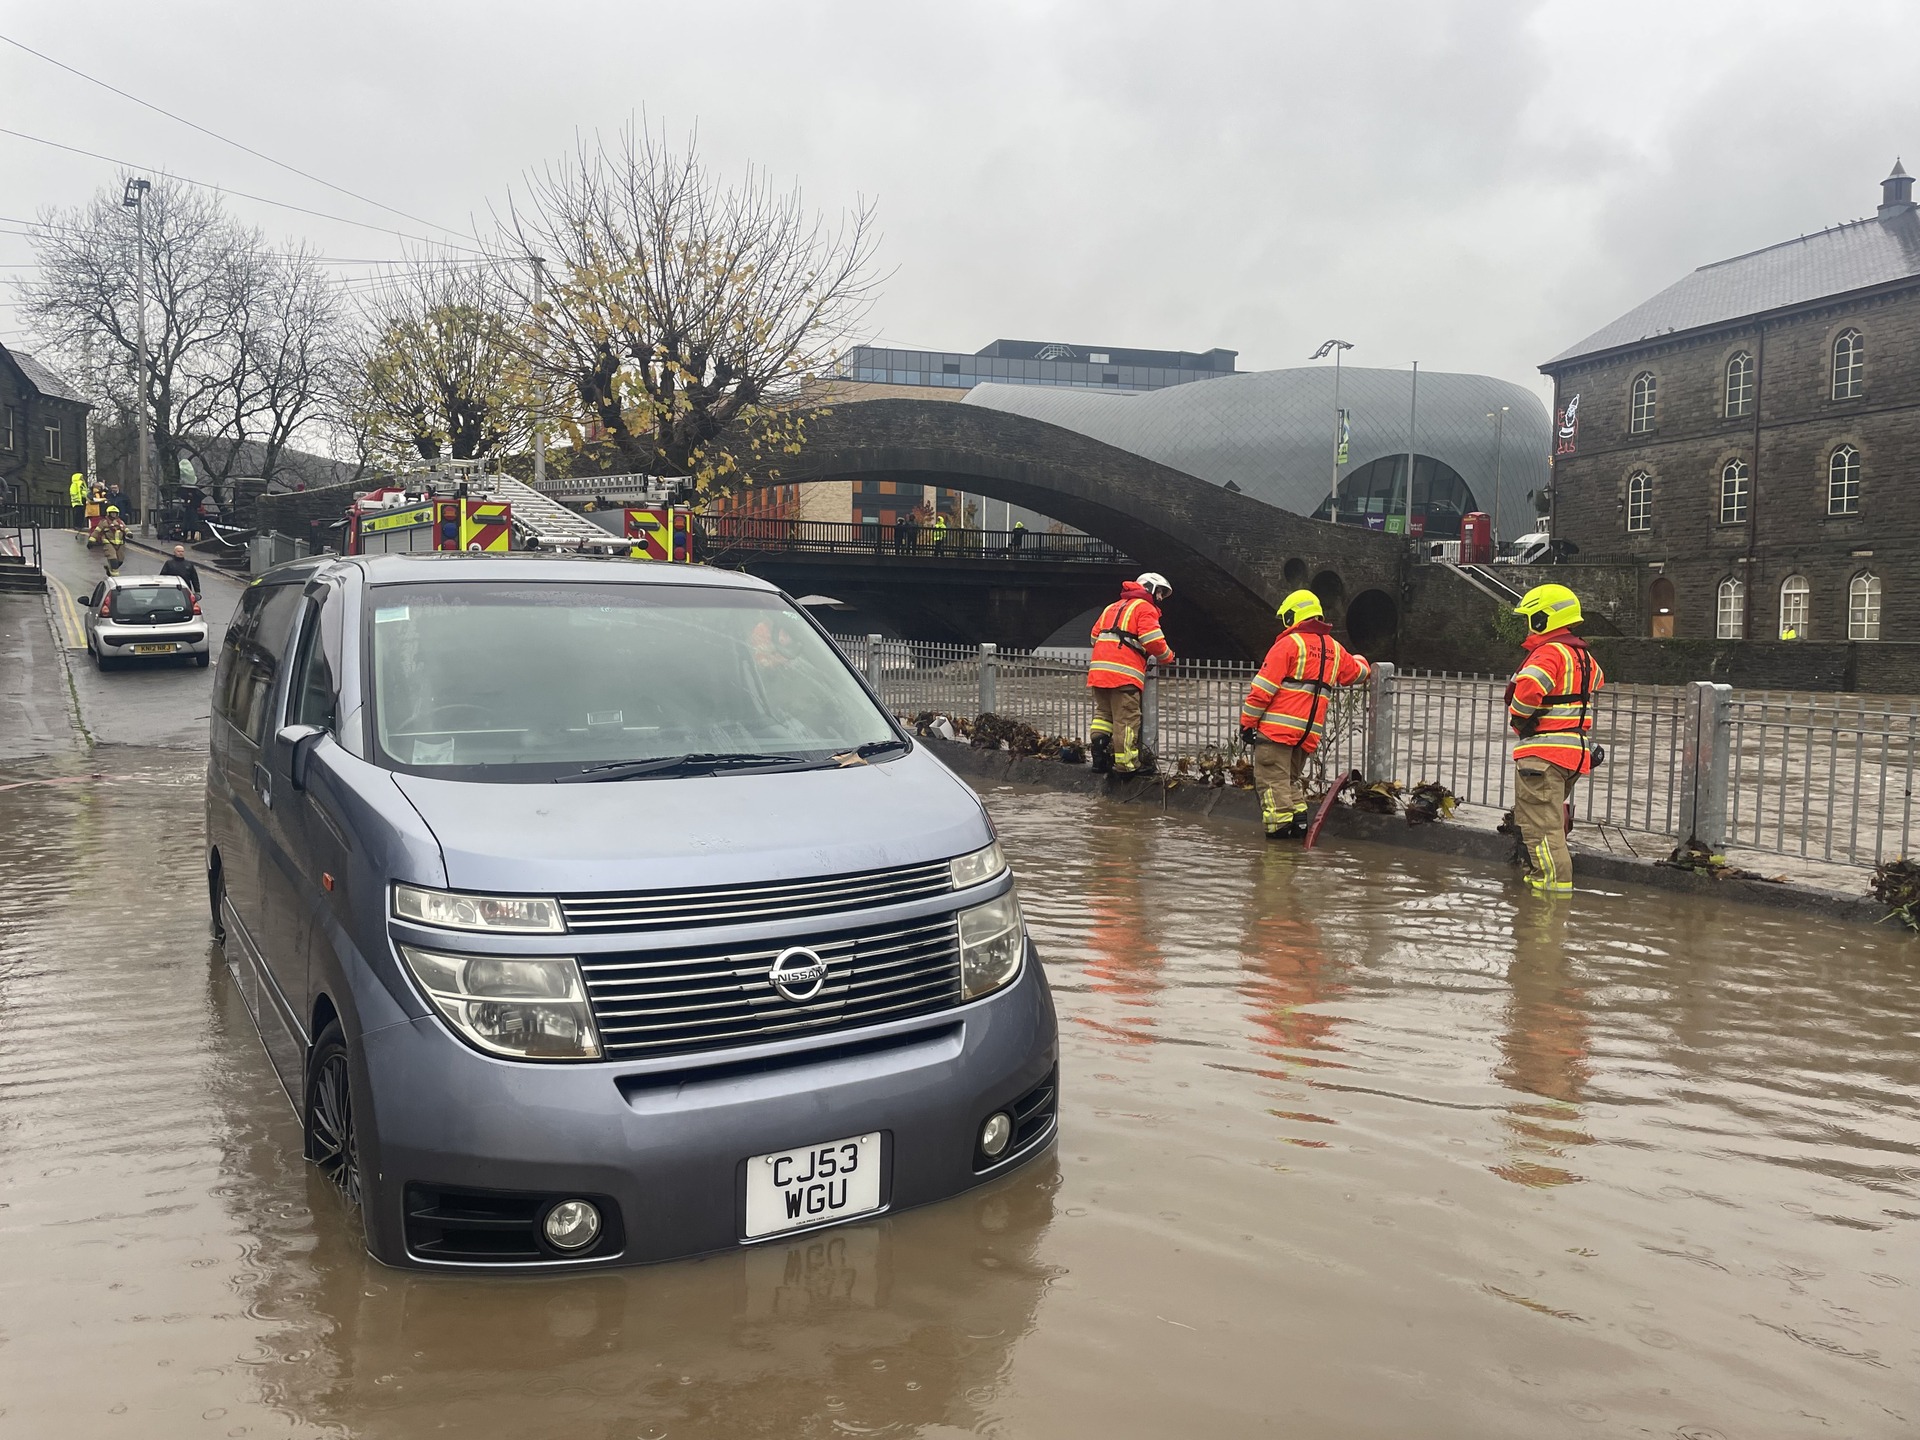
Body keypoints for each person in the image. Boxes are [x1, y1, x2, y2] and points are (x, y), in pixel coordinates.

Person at [1239, 589, 1371, 838]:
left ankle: (1278, 852)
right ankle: (1299, 831)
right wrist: (1362, 660)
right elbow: (1357, 674)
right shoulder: (1334, 648)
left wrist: (1246, 724)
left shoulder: (1288, 645)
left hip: (1276, 733)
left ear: (1293, 616)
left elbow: (1262, 691)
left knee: (1271, 784)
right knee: (1289, 782)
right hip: (1307, 735)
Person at [1507, 583, 1606, 897]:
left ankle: (1550, 898)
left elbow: (1529, 687)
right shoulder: (1583, 655)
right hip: (1573, 753)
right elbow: (1599, 680)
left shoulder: (1549, 652)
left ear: (1542, 619)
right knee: (1549, 822)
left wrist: (1520, 717)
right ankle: (1542, 885)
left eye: (1530, 617)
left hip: (1543, 755)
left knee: (1543, 831)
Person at [1087, 572, 1175, 775]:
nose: (1160, 598)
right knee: (1126, 719)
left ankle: (1098, 761)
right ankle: (1126, 766)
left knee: (1103, 716)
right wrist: (1168, 657)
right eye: (1159, 592)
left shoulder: (1112, 607)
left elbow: (1094, 637)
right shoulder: (1144, 608)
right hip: (1123, 674)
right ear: (1149, 588)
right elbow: (1153, 639)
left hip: (1099, 672)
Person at [98, 506, 128, 576]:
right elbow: (97, 531)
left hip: (120, 543)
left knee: (120, 560)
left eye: (115, 513)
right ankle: (115, 577)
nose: (114, 514)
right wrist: (91, 540)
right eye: (112, 513)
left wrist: (129, 533)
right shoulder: (104, 522)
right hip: (108, 542)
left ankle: (110, 569)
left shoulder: (120, 522)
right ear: (108, 513)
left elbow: (125, 528)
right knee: (113, 559)